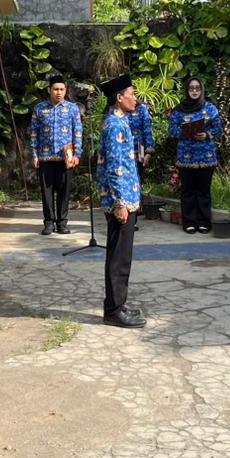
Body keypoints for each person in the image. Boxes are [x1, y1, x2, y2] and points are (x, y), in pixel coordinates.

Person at [97, 74, 145, 328]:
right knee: (118, 256)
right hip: (121, 201)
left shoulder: (121, 122)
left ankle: (119, 304)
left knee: (122, 255)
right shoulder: (114, 125)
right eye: (132, 94)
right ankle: (114, 309)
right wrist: (120, 203)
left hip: (128, 197)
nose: (135, 99)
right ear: (119, 98)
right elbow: (115, 167)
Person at [30, 73, 83, 235]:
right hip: (45, 158)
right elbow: (34, 133)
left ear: (66, 90)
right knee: (46, 193)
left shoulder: (73, 109)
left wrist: (77, 154)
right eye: (55, 89)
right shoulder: (39, 109)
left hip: (65, 159)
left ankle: (62, 222)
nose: (58, 92)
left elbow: (78, 133)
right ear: (49, 90)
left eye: (61, 89)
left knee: (64, 191)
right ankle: (48, 222)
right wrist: (34, 155)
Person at [167, 76, 222, 234]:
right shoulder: (179, 110)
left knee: (203, 191)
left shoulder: (210, 108)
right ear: (187, 90)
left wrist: (207, 134)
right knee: (188, 191)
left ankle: (204, 222)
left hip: (206, 156)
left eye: (197, 88)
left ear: (202, 90)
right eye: (191, 88)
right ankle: (189, 222)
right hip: (186, 156)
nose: (194, 91)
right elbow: (172, 129)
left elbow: (218, 127)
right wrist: (185, 133)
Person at [127, 96, 154, 177]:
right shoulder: (122, 109)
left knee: (138, 173)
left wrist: (149, 151)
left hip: (140, 145)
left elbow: (147, 129)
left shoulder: (142, 108)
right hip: (126, 145)